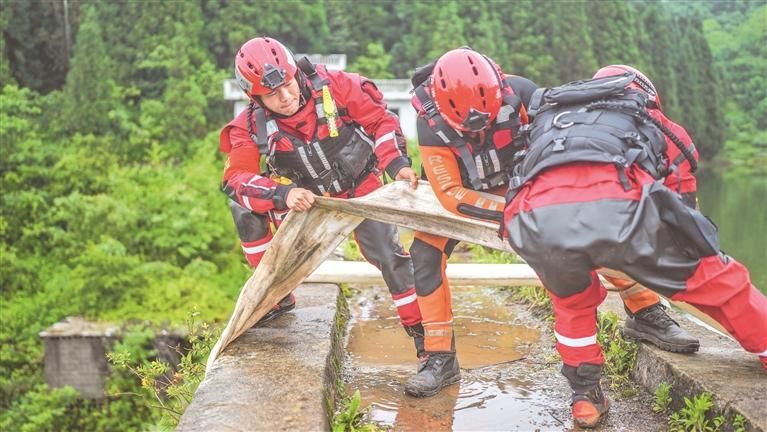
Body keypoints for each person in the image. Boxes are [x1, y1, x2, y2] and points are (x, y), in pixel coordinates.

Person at [405, 48, 699, 399]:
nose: (478, 130)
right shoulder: (429, 120)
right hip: (464, 192)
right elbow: (450, 192)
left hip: (521, 183)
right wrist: (511, 212)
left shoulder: (523, 93)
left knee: (583, 232)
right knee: (423, 252)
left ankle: (645, 312)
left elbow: (554, 145)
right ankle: (439, 357)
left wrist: (547, 203)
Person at [502, 64, 767, 427]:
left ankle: (585, 401)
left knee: (572, 302)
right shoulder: (651, 117)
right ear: (645, 91)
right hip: (617, 210)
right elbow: (683, 200)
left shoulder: (554, 116)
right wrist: (702, 250)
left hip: (533, 222)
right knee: (722, 281)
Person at [219, 37, 424, 357]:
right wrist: (280, 193)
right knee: (242, 209)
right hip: (306, 203)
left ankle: (423, 335)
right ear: (254, 97)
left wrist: (396, 163)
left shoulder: (338, 86)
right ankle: (276, 299)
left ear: (294, 73)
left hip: (360, 188)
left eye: (287, 84)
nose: (285, 97)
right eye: (272, 94)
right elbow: (235, 179)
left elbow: (381, 121)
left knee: (387, 253)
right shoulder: (250, 125)